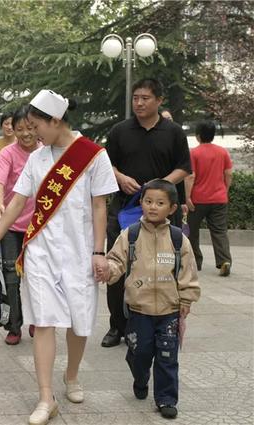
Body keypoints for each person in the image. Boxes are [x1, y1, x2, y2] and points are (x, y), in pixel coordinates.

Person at [0, 89, 118, 425]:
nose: (32, 133)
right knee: (44, 321)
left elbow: (100, 206)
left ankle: (71, 376)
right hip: (40, 250)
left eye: (36, 125)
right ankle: (46, 398)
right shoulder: (38, 158)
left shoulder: (93, 155)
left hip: (80, 251)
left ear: (56, 120)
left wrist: (99, 252)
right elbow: (16, 203)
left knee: (79, 321)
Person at [102, 78, 191, 348]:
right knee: (118, 267)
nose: (139, 103)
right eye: (135, 98)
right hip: (125, 211)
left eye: (145, 98)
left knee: (164, 268)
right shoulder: (120, 131)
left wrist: (159, 188)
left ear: (158, 100)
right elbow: (106, 164)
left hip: (163, 214)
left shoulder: (174, 132)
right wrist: (119, 177)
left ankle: (165, 323)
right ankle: (117, 325)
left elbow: (184, 167)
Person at [104, 179, 200, 420]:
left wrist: (186, 300)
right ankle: (139, 375)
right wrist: (109, 270)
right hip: (139, 309)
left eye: (159, 203)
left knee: (168, 356)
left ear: (172, 208)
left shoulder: (179, 239)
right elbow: (116, 260)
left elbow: (187, 273)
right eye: (148, 201)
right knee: (141, 353)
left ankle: (166, 398)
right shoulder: (131, 235)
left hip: (169, 310)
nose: (152, 207)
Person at [0, 106, 38, 345]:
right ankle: (15, 325)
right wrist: (0, 204)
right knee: (11, 274)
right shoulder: (7, 153)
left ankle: (38, 321)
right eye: (19, 129)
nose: (25, 133)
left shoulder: (45, 152)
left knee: (38, 275)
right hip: (11, 224)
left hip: (39, 226)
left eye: (30, 128)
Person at [185, 120, 233, 276]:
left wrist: (187, 197)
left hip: (198, 199)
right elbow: (228, 174)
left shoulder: (194, 153)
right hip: (219, 198)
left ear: (198, 136)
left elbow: (191, 176)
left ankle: (195, 262)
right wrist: (225, 190)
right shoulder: (222, 152)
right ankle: (224, 260)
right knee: (219, 231)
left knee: (192, 232)